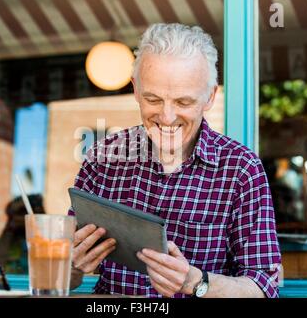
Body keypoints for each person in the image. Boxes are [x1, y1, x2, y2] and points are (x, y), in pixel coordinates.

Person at [69, 23, 281, 298]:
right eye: (154, 99)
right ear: (135, 90)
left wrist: (198, 282)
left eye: (183, 102)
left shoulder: (241, 170)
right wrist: (71, 266)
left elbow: (264, 287)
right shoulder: (102, 159)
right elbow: (64, 272)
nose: (167, 117)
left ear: (210, 97)